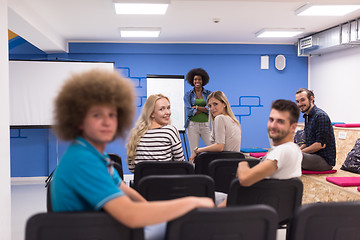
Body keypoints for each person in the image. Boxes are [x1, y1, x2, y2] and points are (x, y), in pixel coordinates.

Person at [50, 69, 214, 240]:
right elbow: (131, 215)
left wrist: (153, 210)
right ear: (78, 120)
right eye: (97, 115)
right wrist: (192, 202)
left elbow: (130, 194)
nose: (107, 121)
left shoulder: (97, 157)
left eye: (112, 114)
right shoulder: (82, 161)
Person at [218, 99, 302, 207]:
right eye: (271, 120)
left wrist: (242, 164)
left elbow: (245, 179)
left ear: (293, 127)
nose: (273, 125)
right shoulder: (294, 149)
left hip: (247, 210)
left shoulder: (282, 152)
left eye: (280, 121)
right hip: (267, 209)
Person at [127, 94, 185, 173]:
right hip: (167, 184)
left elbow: (132, 168)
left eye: (168, 108)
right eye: (161, 109)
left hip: (143, 184)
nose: (168, 112)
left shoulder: (135, 133)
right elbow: (181, 164)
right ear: (152, 113)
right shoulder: (170, 131)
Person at [190, 91, 241, 163]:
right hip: (233, 166)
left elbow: (219, 146)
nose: (211, 109)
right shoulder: (235, 122)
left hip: (222, 166)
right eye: (210, 106)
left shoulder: (220, 118)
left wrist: (197, 150)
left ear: (224, 104)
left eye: (215, 104)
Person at [295, 88, 336, 171]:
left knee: (291, 157)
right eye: (297, 101)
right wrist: (297, 150)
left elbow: (320, 145)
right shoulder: (307, 117)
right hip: (312, 156)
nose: (300, 104)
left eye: (302, 100)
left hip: (324, 161)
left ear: (311, 99)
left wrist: (299, 153)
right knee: (287, 153)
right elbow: (307, 142)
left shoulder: (321, 116)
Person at [184, 68, 212, 155]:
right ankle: (193, 168)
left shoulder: (209, 94)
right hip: (192, 125)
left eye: (199, 79)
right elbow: (189, 112)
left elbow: (211, 109)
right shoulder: (188, 95)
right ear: (192, 81)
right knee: (193, 152)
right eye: (195, 79)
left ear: (203, 81)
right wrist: (204, 109)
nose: (197, 81)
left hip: (206, 125)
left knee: (213, 147)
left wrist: (196, 107)